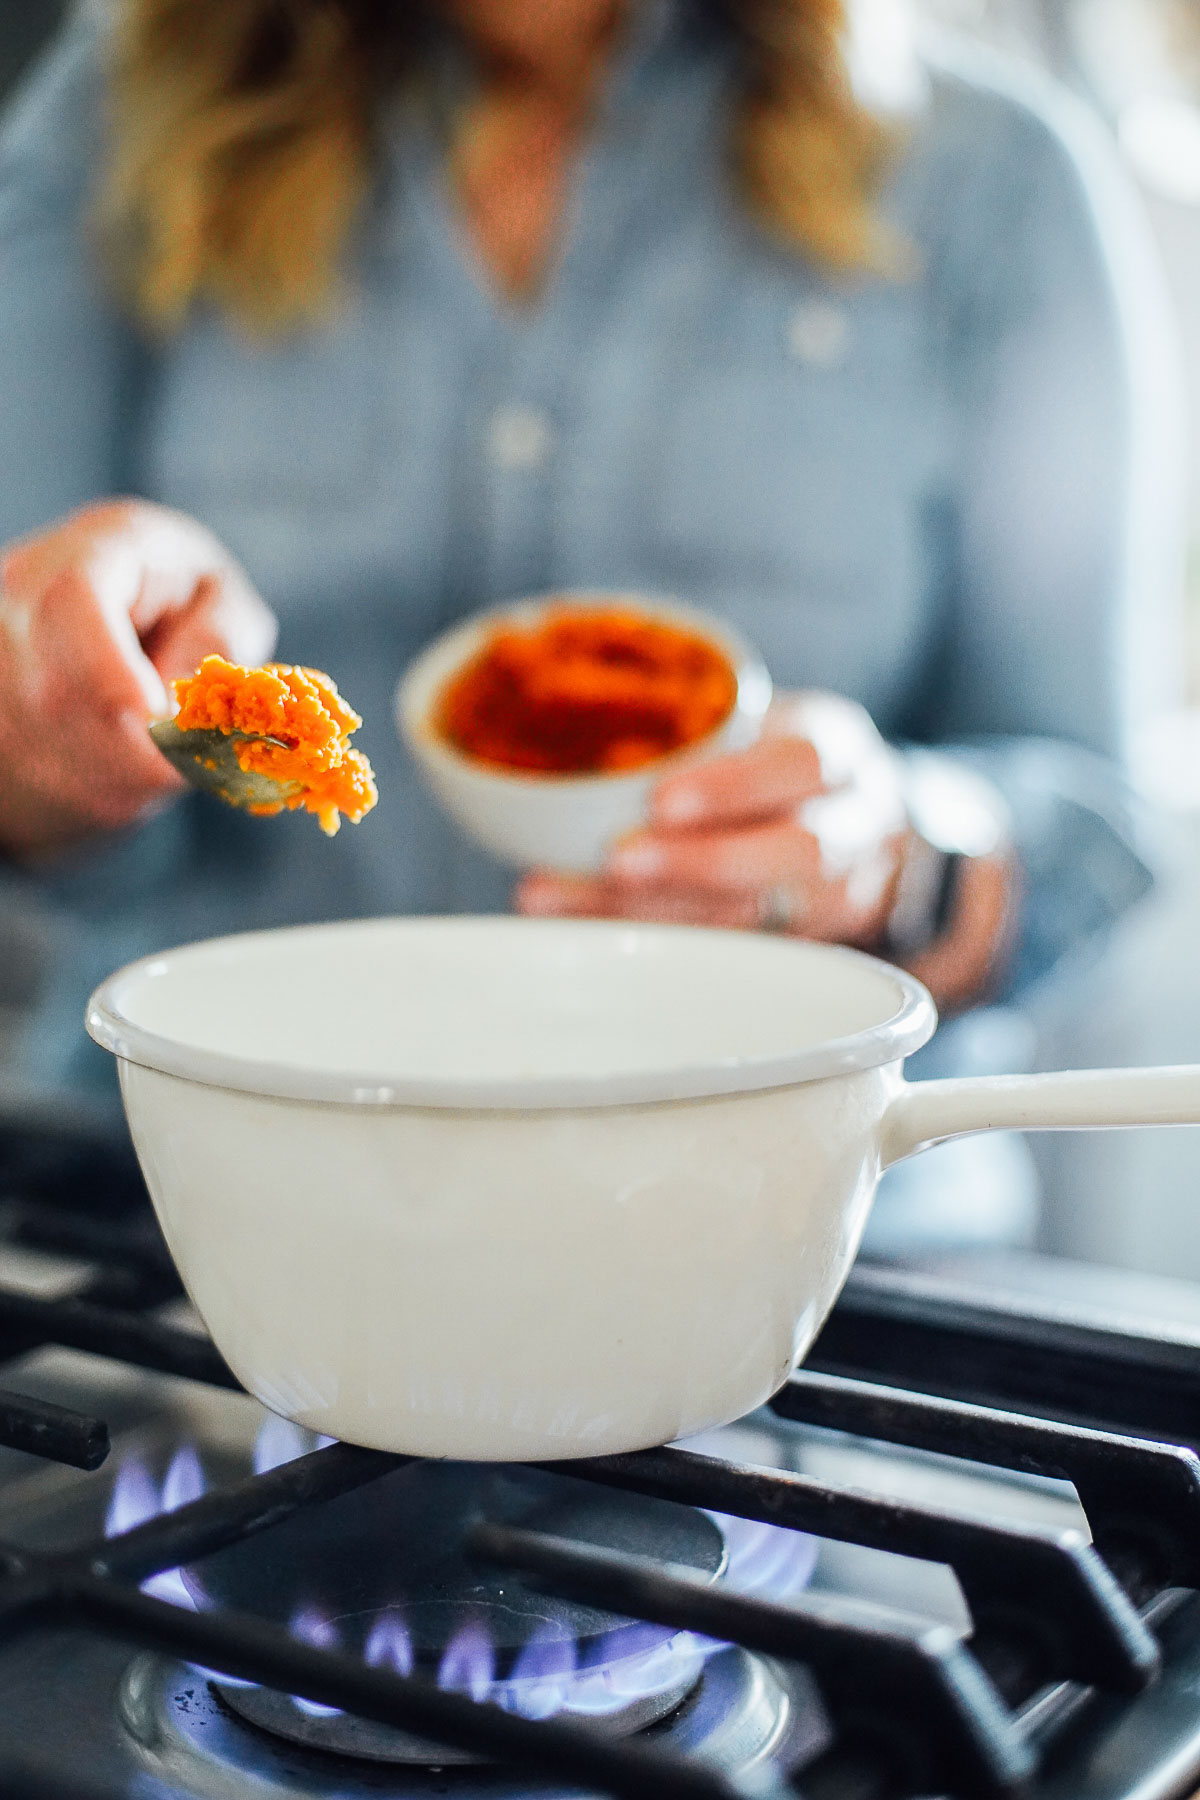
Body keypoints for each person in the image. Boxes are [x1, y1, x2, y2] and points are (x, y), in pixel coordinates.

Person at [0, 0, 1180, 1247]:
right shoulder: (119, 117)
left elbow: (1093, 825)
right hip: (211, 1222)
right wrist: (60, 733)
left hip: (797, 1247)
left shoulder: (995, 178)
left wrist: (899, 853)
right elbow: (28, 706)